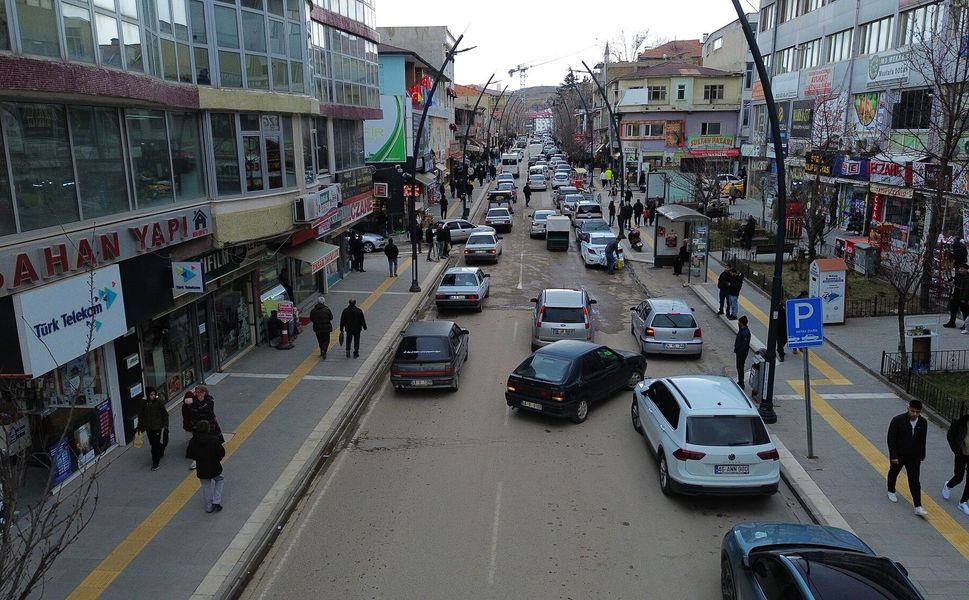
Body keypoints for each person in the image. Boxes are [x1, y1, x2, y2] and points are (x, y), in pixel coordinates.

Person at [886, 400, 929, 516]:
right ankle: (891, 490)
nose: (915, 414)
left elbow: (923, 440)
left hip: (914, 456)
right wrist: (893, 455)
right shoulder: (897, 420)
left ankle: (918, 506)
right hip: (899, 455)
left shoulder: (923, 422)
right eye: (912, 411)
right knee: (894, 472)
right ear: (908, 408)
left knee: (914, 480)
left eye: (917, 412)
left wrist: (922, 454)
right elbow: (891, 439)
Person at [186, 420, 225, 514]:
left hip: (202, 467)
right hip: (214, 466)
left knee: (206, 485)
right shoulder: (214, 439)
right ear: (208, 428)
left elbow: (190, 454)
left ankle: (209, 507)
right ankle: (216, 501)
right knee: (220, 480)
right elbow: (221, 453)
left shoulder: (193, 441)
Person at [942, 409, 969, 515]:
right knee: (959, 477)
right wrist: (956, 450)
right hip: (961, 454)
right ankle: (948, 485)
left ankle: (963, 502)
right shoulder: (960, 422)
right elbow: (950, 436)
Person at [137, 387, 169, 471]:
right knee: (153, 443)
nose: (153, 396)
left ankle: (155, 462)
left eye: (154, 394)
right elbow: (141, 415)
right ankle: (161, 448)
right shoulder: (143, 402)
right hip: (148, 427)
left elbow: (165, 414)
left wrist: (166, 425)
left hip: (157, 426)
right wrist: (139, 426)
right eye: (151, 395)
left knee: (154, 446)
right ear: (148, 395)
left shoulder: (159, 401)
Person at [943, 263, 969, 328]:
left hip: (963, 297)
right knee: (953, 309)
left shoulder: (967, 278)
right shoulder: (958, 276)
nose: (960, 270)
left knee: (964, 311)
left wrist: (964, 298)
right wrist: (951, 284)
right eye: (960, 269)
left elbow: (966, 289)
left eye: (962, 269)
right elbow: (954, 284)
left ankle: (966, 325)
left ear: (966, 270)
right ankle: (952, 322)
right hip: (956, 296)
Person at [734, 316, 751, 390]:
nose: (738, 323)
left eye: (739, 322)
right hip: (739, 353)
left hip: (741, 354)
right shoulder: (742, 330)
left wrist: (739, 352)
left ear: (741, 323)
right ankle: (740, 381)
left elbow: (744, 345)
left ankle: (741, 382)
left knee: (740, 367)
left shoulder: (745, 332)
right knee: (739, 367)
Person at [181, 391, 196, 470]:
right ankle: (192, 452)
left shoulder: (186, 407)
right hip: (189, 426)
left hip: (193, 426)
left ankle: (192, 453)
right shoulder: (184, 407)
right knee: (190, 439)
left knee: (193, 439)